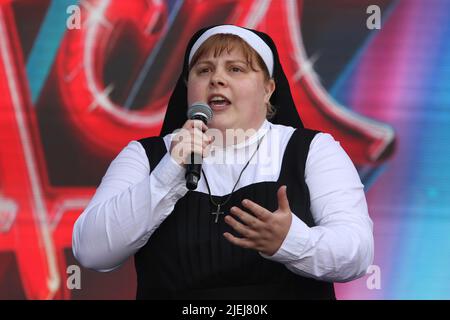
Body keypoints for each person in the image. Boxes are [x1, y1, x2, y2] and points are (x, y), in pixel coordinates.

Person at [72, 25, 374, 300]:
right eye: (203, 70)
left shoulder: (314, 151)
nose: (217, 79)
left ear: (268, 89)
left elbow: (358, 253)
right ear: (187, 86)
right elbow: (92, 252)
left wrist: (292, 241)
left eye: (236, 69)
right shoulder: (144, 156)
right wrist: (168, 173)